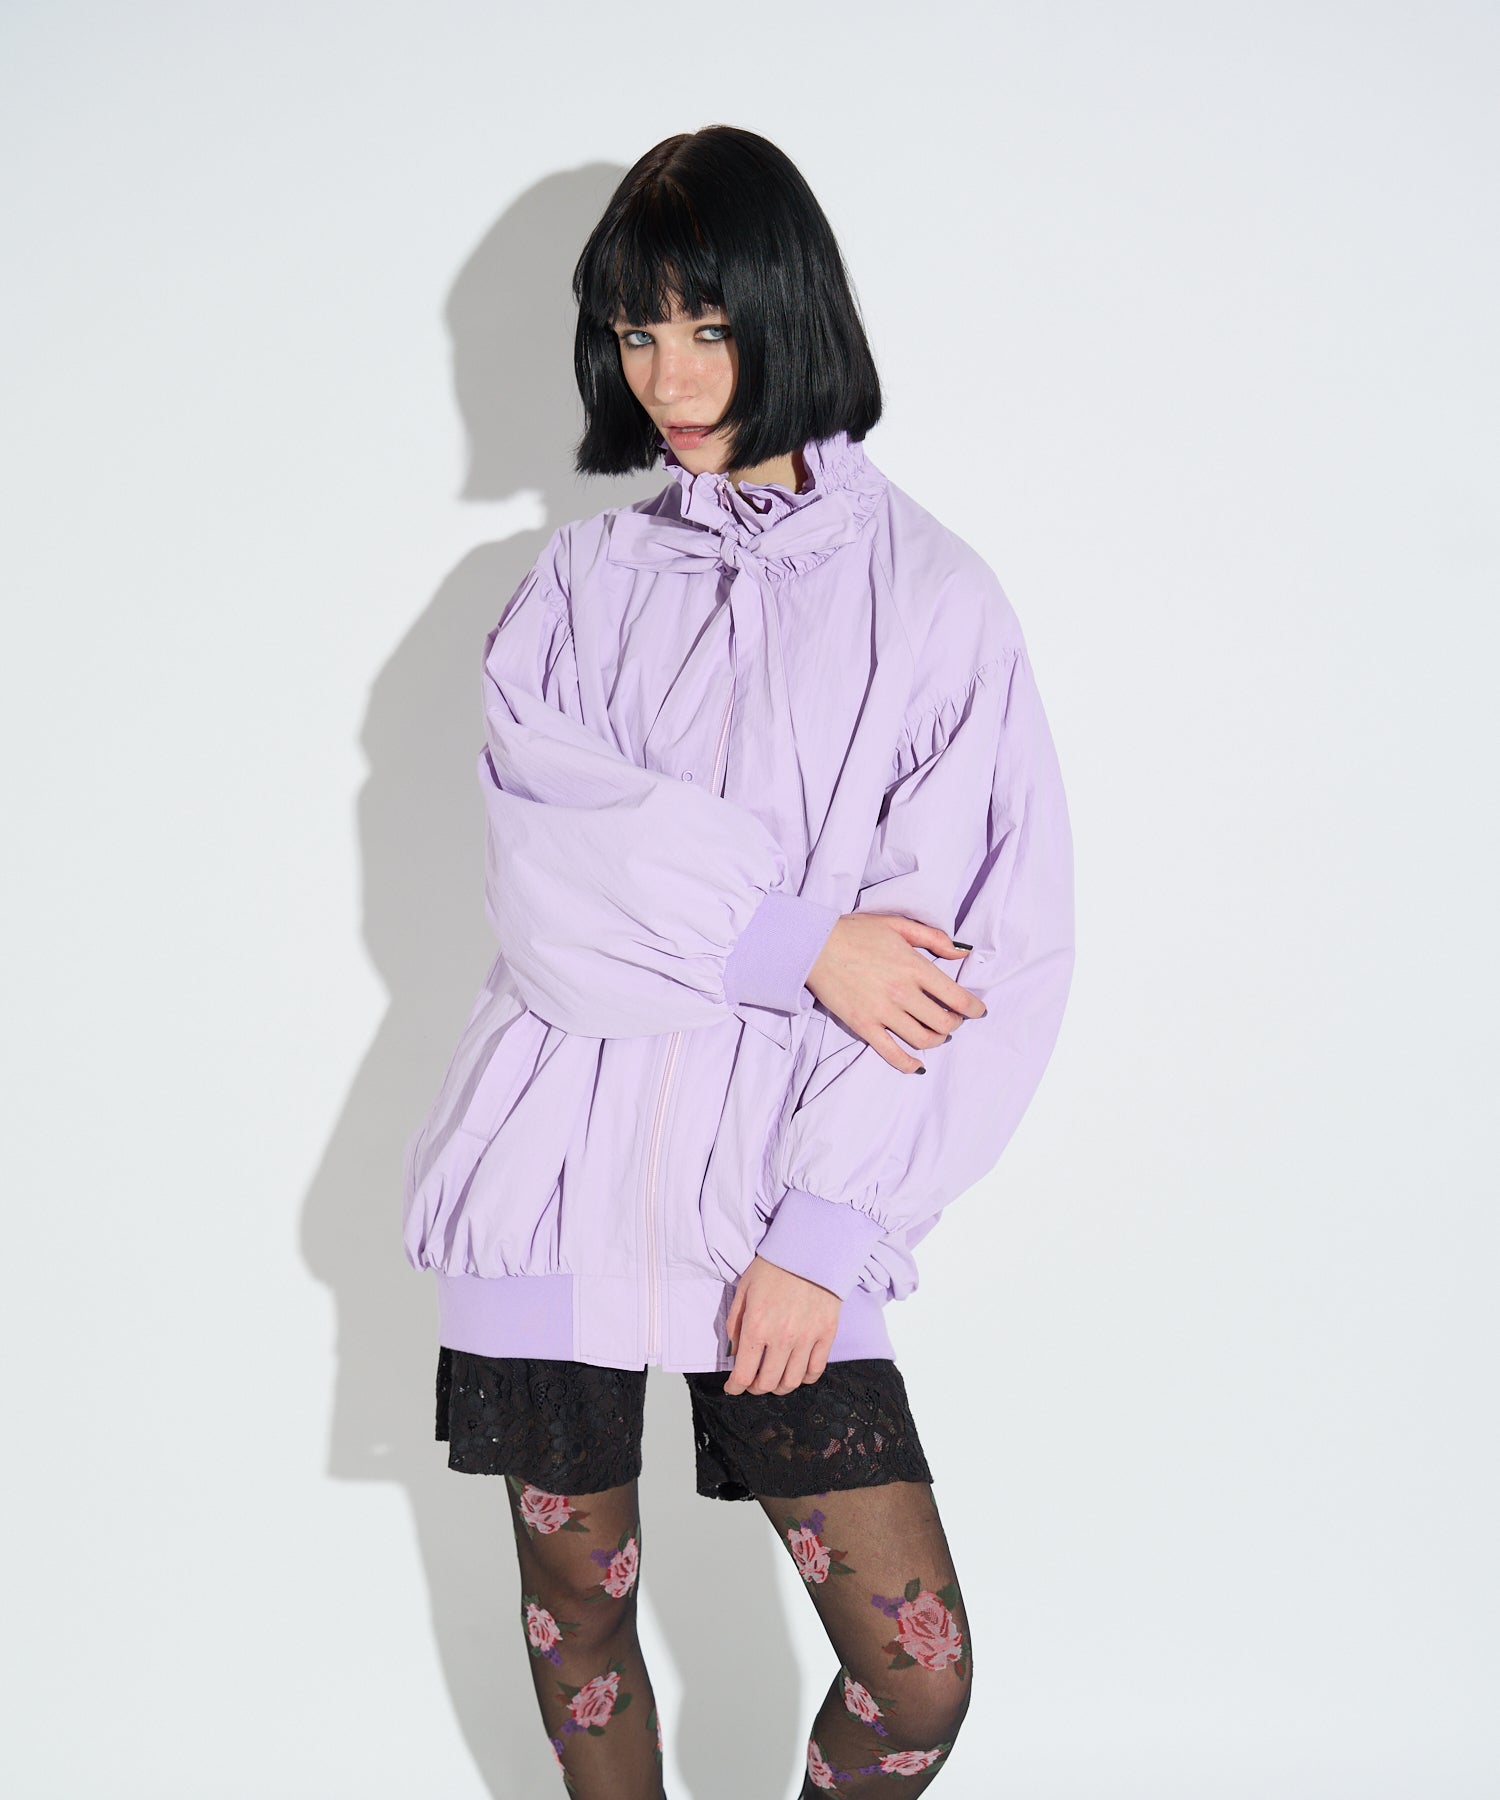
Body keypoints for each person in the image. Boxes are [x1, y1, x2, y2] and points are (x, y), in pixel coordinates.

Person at [403, 124, 1076, 1798]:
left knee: (914, 1674)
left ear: (790, 312)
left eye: (707, 325)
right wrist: (798, 943)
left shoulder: (933, 601)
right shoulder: (574, 585)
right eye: (637, 332)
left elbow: (962, 961)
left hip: (776, 1196)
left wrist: (828, 1227)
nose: (672, 376)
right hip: (551, 1174)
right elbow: (549, 886)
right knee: (577, 1620)